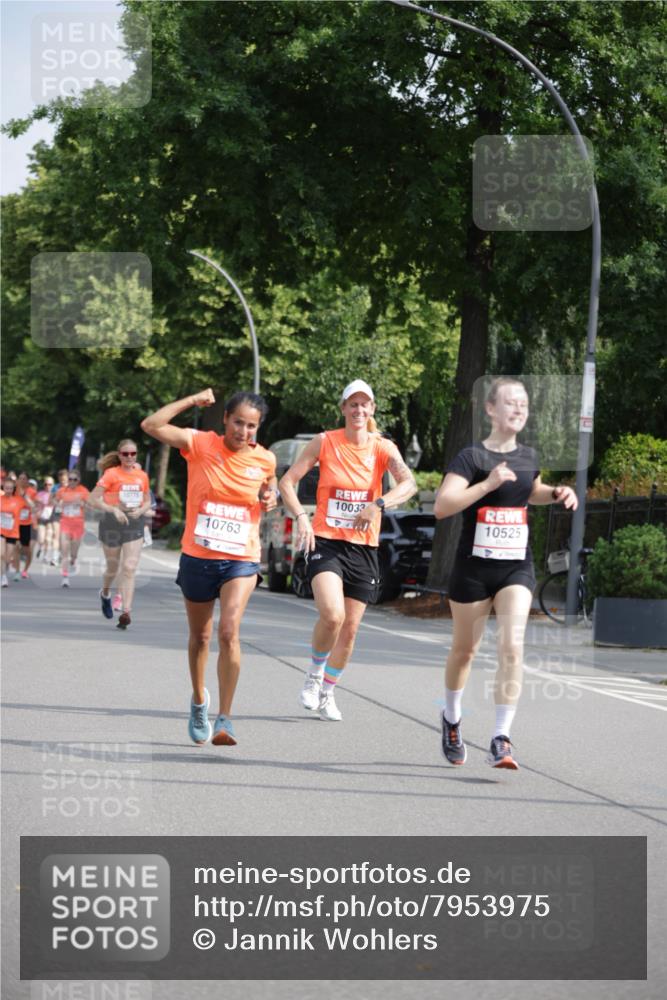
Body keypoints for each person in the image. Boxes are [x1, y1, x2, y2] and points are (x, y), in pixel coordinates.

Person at [434, 377, 578, 770]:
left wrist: (557, 493)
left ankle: (501, 737)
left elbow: (530, 491)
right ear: (491, 410)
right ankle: (451, 718)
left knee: (512, 647)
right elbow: (443, 506)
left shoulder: (529, 456)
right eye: (510, 403)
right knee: (465, 651)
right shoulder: (471, 458)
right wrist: (487, 484)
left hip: (516, 566)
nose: (518, 410)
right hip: (473, 569)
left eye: (524, 405)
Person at [140, 388, 277, 747]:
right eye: (238, 423)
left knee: (229, 631)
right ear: (225, 420)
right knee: (200, 637)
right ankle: (200, 700)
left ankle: (226, 720)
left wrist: (271, 495)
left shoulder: (265, 460)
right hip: (198, 557)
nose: (244, 432)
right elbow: (151, 424)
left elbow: (269, 486)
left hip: (240, 559)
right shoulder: (200, 444)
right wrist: (191, 401)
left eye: (252, 426)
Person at [279, 379, 417, 722]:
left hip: (363, 548)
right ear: (343, 409)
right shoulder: (325, 442)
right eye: (352, 404)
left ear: (371, 410)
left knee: (351, 629)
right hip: (325, 541)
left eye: (364, 405)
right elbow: (286, 482)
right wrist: (302, 518)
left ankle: (328, 691)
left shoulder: (383, 448)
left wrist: (379, 503)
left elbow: (410, 483)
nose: (358, 410)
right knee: (333, 615)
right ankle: (313, 676)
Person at [87, 440, 152, 629]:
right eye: (125, 454)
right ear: (119, 455)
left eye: (133, 453)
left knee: (130, 567)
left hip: (134, 523)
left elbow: (147, 501)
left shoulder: (142, 476)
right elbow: (92, 498)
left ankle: (126, 612)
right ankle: (105, 593)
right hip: (111, 524)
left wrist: (141, 511)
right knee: (113, 568)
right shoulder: (111, 474)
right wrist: (113, 509)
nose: (130, 457)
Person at [54, 469, 90, 587]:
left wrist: (84, 504)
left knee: (73, 553)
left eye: (75, 479)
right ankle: (65, 577)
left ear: (79, 480)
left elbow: (90, 505)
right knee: (65, 551)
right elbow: (53, 500)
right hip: (65, 522)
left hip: (78, 524)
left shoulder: (83, 491)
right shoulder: (62, 490)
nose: (72, 481)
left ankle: (73, 559)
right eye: (70, 479)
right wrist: (58, 504)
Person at [1, 476, 29, 587]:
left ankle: (4, 569)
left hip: (12, 533)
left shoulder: (18, 500)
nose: (8, 490)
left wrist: (24, 496)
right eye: (6, 488)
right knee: (1, 554)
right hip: (1, 531)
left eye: (10, 488)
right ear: (3, 487)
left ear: (13, 489)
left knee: (7, 558)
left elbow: (31, 506)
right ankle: (3, 577)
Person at [15, 472, 37, 579]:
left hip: (28, 524)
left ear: (28, 480)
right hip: (15, 524)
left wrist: (25, 497)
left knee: (27, 550)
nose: (22, 480)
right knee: (16, 547)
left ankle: (25, 570)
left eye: (24, 479)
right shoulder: (14, 491)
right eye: (20, 478)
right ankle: (17, 571)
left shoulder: (32, 492)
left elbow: (34, 507)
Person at [49, 469, 69, 565]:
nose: (63, 482)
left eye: (64, 480)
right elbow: (50, 500)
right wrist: (57, 503)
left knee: (63, 537)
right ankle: (54, 557)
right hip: (56, 513)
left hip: (68, 515)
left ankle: (61, 554)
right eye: (61, 480)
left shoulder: (72, 488)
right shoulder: (55, 488)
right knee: (56, 535)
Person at [35, 476, 56, 560]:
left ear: (53, 485)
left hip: (51, 518)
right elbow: (36, 503)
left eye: (50, 484)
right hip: (42, 518)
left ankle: (46, 555)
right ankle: (40, 548)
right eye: (46, 484)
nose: (48, 486)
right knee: (41, 538)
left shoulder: (55, 494)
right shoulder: (40, 494)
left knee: (48, 538)